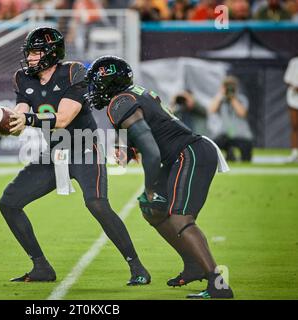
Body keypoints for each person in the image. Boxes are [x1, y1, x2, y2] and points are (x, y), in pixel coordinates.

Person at [0, 27, 150, 285]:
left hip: (84, 148)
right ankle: (41, 267)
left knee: (97, 204)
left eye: (36, 52)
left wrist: (26, 119)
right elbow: (20, 116)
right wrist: (7, 123)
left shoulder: (72, 72)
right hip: (54, 154)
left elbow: (64, 118)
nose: (31, 58)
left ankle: (137, 267)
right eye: (30, 52)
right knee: (9, 203)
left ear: (51, 53)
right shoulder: (23, 78)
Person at [84, 55, 233, 299]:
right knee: (153, 210)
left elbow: (152, 152)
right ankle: (194, 265)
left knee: (179, 219)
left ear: (109, 83)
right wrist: (126, 151)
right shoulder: (128, 96)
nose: (93, 90)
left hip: (190, 154)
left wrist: (150, 187)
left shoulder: (120, 101)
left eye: (96, 84)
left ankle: (219, 285)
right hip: (180, 155)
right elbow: (140, 134)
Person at [209, 76, 253, 162]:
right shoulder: (221, 100)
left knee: (246, 159)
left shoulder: (241, 99)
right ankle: (230, 153)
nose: (229, 88)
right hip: (225, 135)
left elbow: (242, 113)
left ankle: (233, 154)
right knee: (212, 145)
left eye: (231, 86)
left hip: (241, 135)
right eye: (227, 86)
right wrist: (221, 94)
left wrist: (232, 97)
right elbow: (211, 110)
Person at [284, 56, 298, 162]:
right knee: (295, 126)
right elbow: (287, 80)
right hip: (294, 98)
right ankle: (294, 153)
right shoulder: (294, 62)